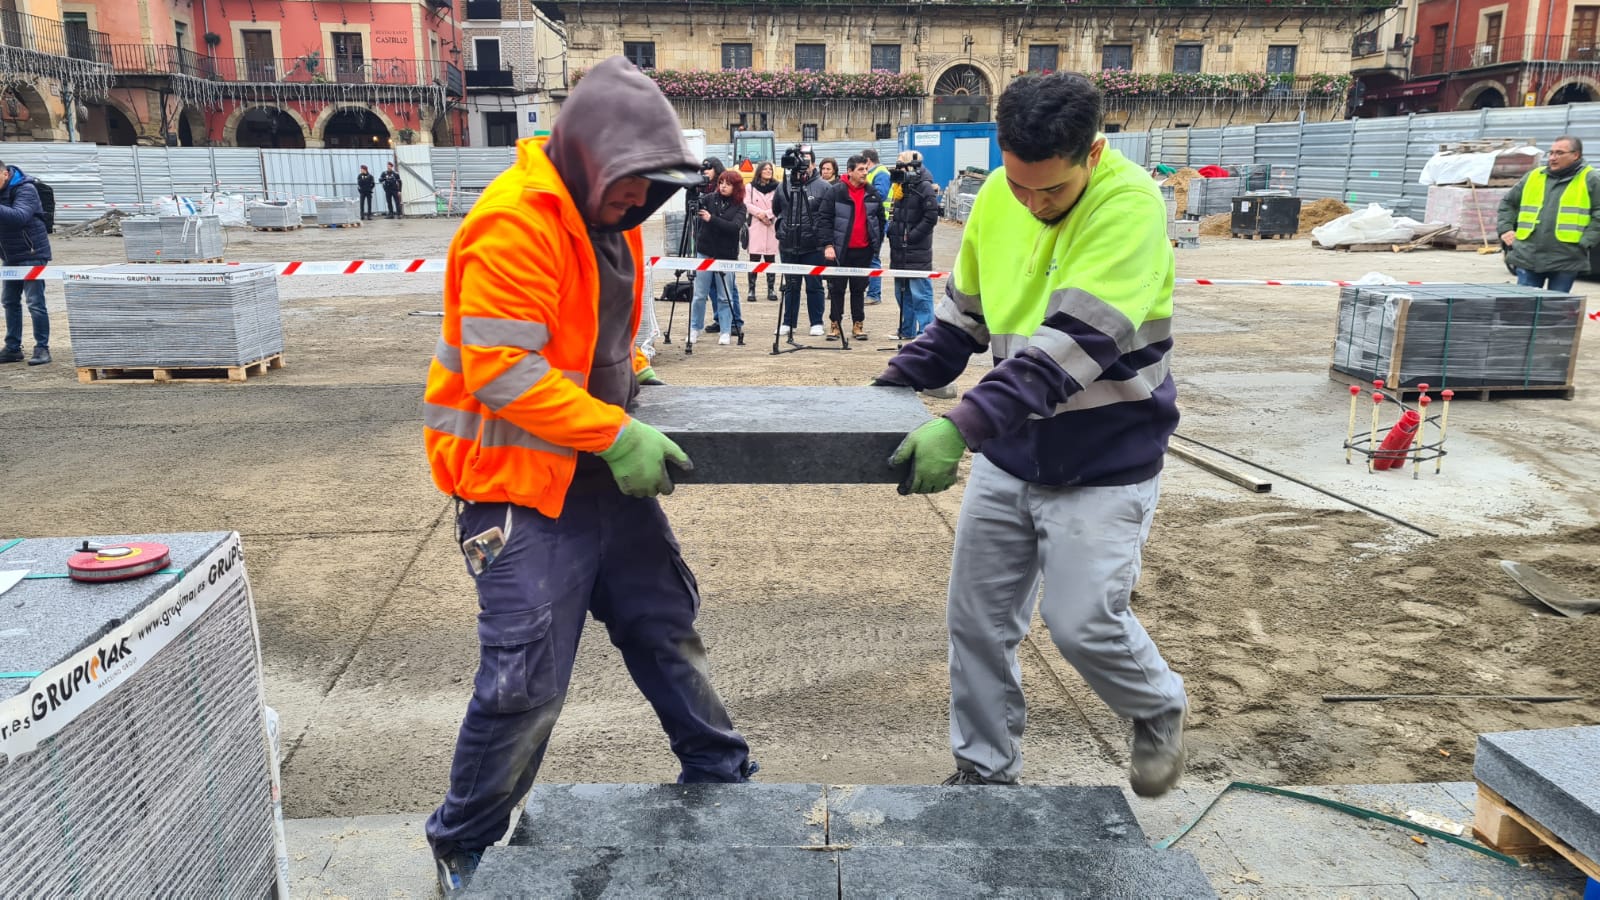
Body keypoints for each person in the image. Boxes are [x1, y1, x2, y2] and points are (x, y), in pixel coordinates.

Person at [421, 55, 756, 896]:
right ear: (588, 155)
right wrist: (613, 429)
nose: (638, 204)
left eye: (651, 190)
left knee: (662, 623)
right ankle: (464, 842)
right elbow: (501, 369)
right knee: (526, 680)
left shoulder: (604, 219)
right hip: (518, 486)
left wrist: (633, 378)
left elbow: (593, 336)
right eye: (628, 187)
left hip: (596, 472)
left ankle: (720, 777)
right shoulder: (517, 222)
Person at [873, 72, 1187, 796]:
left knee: (1081, 624)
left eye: (1052, 191)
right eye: (1021, 187)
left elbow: (1066, 351)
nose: (1033, 204)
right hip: (1012, 455)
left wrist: (960, 427)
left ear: (1094, 153)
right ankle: (985, 772)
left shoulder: (1131, 208)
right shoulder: (995, 197)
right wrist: (887, 389)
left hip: (1106, 460)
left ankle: (1157, 706)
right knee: (978, 626)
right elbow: (961, 322)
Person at [1497, 135, 1600, 292]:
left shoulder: (1590, 178)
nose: (1552, 158)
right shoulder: (1534, 176)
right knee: (1525, 307)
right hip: (1528, 255)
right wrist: (1506, 228)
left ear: (1576, 155)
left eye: (1559, 153)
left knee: (1555, 309)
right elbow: (1508, 203)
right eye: (1551, 153)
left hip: (1566, 257)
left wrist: (1586, 241)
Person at [820, 155, 885, 341]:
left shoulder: (872, 193)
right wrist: (828, 245)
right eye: (861, 170)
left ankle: (858, 325)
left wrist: (876, 244)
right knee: (836, 289)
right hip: (840, 251)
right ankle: (835, 325)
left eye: (866, 169)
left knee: (859, 289)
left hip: (863, 251)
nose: (865, 173)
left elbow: (880, 220)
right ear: (850, 172)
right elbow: (824, 219)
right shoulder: (836, 192)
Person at [774, 150, 832, 337]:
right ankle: (788, 322)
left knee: (814, 284)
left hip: (813, 244)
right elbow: (777, 209)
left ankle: (816, 322)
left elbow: (828, 215)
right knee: (791, 285)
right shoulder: (784, 186)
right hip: (789, 243)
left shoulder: (823, 187)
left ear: (813, 165)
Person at [0, 160, 52, 366]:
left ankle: (42, 348)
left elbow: (18, 217)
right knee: (9, 301)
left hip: (33, 253)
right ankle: (12, 348)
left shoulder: (26, 189)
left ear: (4, 174)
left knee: (35, 302)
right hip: (10, 256)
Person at [886, 150, 939, 342]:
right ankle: (906, 329)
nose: (898, 166)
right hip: (899, 250)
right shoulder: (901, 186)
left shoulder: (923, 187)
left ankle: (926, 333)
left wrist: (913, 236)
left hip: (917, 251)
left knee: (920, 295)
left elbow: (931, 216)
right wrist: (892, 232)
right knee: (902, 294)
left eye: (901, 163)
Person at [694, 170, 748, 346]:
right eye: (721, 182)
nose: (723, 186)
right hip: (705, 250)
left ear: (736, 187)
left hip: (727, 254)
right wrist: (693, 189)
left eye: (728, 183)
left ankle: (725, 330)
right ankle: (695, 328)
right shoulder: (709, 199)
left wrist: (712, 219)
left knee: (725, 296)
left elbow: (734, 227)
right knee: (700, 294)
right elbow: (694, 206)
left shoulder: (741, 207)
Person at [689, 157, 728, 338]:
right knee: (702, 290)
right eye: (703, 169)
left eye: (709, 168)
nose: (705, 171)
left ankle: (730, 322)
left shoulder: (722, 187)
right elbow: (691, 212)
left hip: (721, 246)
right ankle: (697, 326)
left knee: (726, 290)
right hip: (703, 241)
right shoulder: (698, 187)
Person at [746, 161, 780, 302]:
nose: (768, 171)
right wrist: (760, 214)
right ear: (759, 171)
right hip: (756, 226)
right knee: (754, 259)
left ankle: (771, 288)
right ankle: (751, 289)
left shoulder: (778, 187)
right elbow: (747, 203)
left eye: (770, 169)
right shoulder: (750, 187)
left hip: (771, 226)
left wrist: (768, 215)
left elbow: (780, 204)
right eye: (765, 169)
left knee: (770, 259)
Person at [862, 148, 892, 305]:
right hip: (871, 221)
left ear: (868, 161)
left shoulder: (881, 173)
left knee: (873, 257)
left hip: (878, 222)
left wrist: (864, 185)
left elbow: (880, 194)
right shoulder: (877, 173)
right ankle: (871, 291)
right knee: (868, 257)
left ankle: (874, 293)